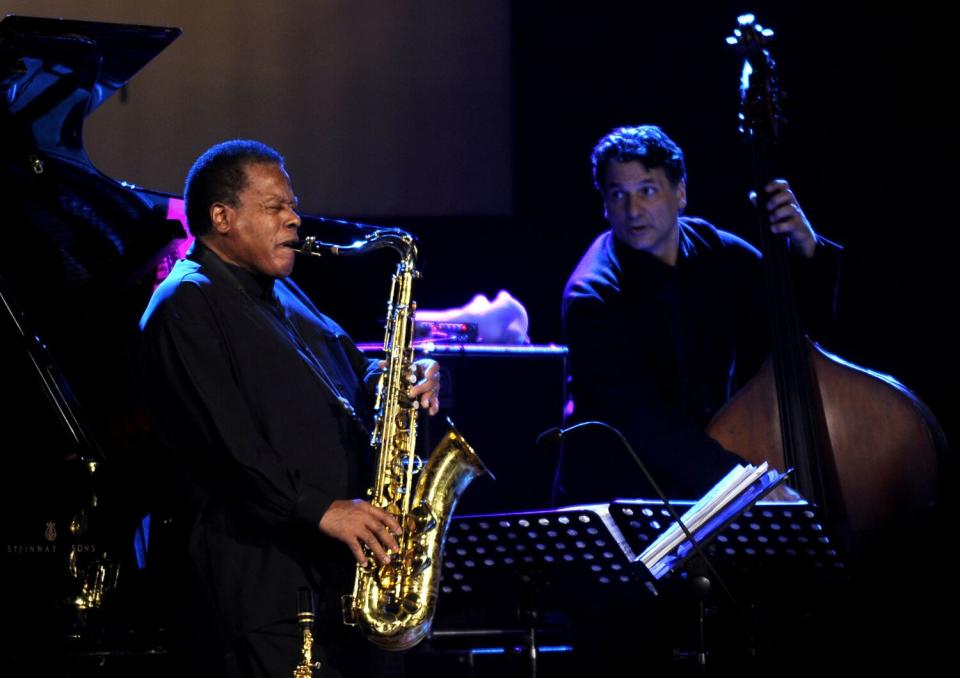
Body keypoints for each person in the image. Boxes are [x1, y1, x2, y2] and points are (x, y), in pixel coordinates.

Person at [137, 140, 441, 677]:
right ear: (222, 217)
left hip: (336, 578)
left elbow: (351, 370)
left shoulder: (282, 290)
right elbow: (227, 447)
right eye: (275, 207)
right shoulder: (186, 302)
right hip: (266, 589)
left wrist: (403, 380)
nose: (295, 219)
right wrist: (322, 509)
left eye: (293, 205)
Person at [557, 125, 840, 502]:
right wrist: (744, 485)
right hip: (620, 493)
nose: (633, 210)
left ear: (681, 193)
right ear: (605, 205)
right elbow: (645, 423)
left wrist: (808, 250)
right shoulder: (592, 295)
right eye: (618, 195)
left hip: (697, 477)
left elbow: (796, 326)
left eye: (647, 191)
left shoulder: (712, 249)